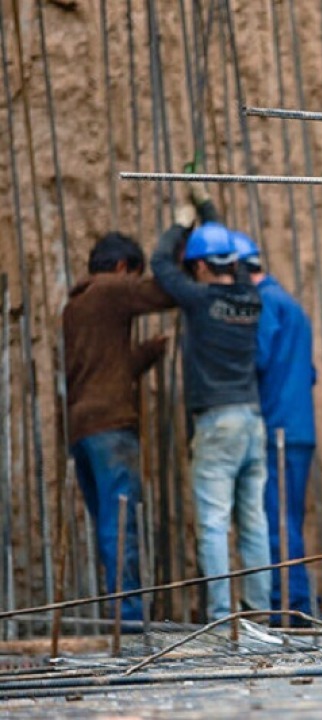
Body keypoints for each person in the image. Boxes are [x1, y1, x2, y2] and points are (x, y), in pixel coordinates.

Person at [150, 180, 271, 622]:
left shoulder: (200, 301)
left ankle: (222, 615)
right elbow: (230, 259)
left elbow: (161, 264)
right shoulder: (250, 298)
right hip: (251, 420)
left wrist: (182, 223)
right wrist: (207, 208)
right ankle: (257, 611)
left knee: (215, 522)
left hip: (217, 423)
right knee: (253, 520)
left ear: (199, 266)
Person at [63, 232, 174, 621]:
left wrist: (149, 352)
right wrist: (173, 247)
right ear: (124, 268)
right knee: (121, 522)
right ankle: (126, 616)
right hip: (111, 427)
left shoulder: (75, 305)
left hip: (81, 428)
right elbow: (164, 294)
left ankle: (120, 611)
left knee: (107, 522)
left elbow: (108, 368)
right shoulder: (111, 290)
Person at [230, 231, 317, 621]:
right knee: (288, 519)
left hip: (277, 429)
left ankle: (291, 611)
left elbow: (257, 358)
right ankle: (292, 607)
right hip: (299, 428)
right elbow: (309, 373)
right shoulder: (292, 305)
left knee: (277, 524)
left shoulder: (263, 303)